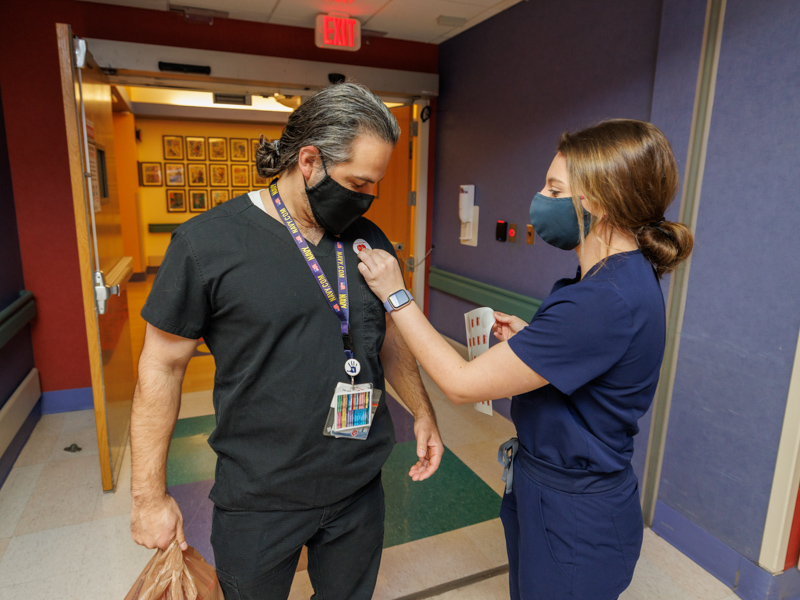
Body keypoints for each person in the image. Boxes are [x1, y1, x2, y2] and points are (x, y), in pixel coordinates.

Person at [130, 83, 444, 600]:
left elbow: (386, 337)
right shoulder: (207, 244)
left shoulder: (369, 241)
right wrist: (148, 498)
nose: (367, 198)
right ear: (309, 161)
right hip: (260, 496)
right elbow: (160, 367)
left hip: (357, 485)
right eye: (357, 182)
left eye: (375, 185)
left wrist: (423, 410)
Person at [357, 119, 693, 600]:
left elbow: (459, 382)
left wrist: (396, 295)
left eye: (554, 188)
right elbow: (593, 360)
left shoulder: (603, 300)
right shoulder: (615, 281)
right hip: (547, 490)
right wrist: (537, 343)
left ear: (598, 201)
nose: (540, 198)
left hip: (574, 515)